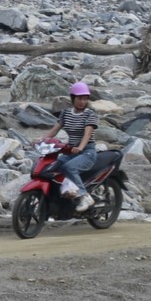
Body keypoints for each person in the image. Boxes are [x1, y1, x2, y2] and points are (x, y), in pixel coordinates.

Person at [55, 82, 99, 211]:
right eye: (79, 98)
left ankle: (84, 196)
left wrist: (80, 147)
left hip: (87, 152)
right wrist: (41, 140)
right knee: (53, 165)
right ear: (73, 98)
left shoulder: (90, 114)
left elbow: (88, 133)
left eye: (85, 98)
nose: (82, 101)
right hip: (71, 151)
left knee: (69, 167)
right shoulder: (66, 113)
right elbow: (54, 130)